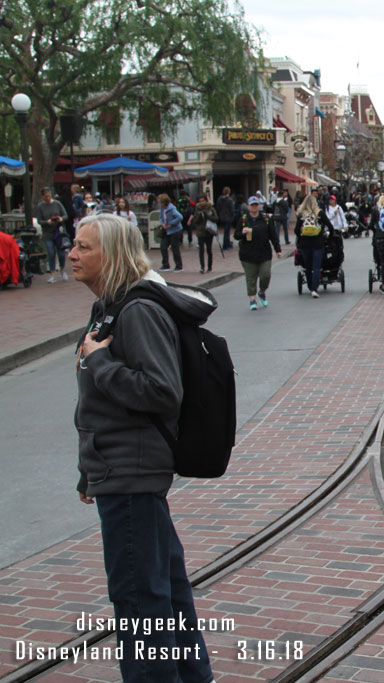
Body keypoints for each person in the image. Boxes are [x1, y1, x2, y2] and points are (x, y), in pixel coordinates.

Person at [68, 213, 215, 683]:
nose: (71, 254)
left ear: (111, 255)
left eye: (84, 247)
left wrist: (100, 362)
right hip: (119, 469)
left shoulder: (137, 310)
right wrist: (89, 468)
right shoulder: (110, 307)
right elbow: (99, 407)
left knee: (139, 600)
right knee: (164, 592)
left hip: (134, 472)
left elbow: (160, 392)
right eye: (73, 243)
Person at [235, 195, 282, 309]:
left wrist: (278, 249)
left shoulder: (266, 218)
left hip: (264, 252)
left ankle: (262, 292)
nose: (254, 207)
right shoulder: (243, 219)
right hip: (248, 253)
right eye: (252, 205)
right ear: (248, 206)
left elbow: (273, 235)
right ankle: (252, 300)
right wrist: (242, 233)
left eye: (256, 205)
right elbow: (236, 236)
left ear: (259, 206)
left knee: (265, 275)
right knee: (251, 278)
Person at [295, 192, 332, 299]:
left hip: (305, 244)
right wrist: (328, 235)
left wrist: (301, 235)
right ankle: (315, 289)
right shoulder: (319, 213)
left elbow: (296, 230)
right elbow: (330, 226)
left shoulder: (301, 214)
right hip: (318, 243)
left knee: (308, 267)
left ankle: (310, 286)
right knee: (316, 267)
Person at [36, 187, 69, 282]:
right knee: (51, 252)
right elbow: (39, 220)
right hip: (47, 233)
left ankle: (63, 270)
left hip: (58, 232)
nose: (48, 198)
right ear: (42, 196)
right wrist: (47, 222)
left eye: (49, 196)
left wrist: (61, 219)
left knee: (61, 252)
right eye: (46, 196)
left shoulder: (57, 204)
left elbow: (65, 215)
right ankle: (52, 273)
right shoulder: (40, 206)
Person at [191, 195, 218, 274]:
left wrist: (208, 216)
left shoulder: (211, 208)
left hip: (209, 232)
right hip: (200, 232)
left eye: (203, 201)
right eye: (200, 201)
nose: (202, 203)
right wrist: (199, 216)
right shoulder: (197, 209)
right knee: (201, 250)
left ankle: (209, 267)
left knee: (209, 250)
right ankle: (202, 267)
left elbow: (216, 219)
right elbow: (195, 221)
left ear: (206, 200)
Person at [156, 193, 184, 273]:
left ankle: (179, 266)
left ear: (164, 202)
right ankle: (165, 265)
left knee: (175, 248)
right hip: (166, 230)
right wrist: (162, 223)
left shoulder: (172, 209)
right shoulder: (162, 209)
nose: (159, 203)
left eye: (160, 202)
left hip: (175, 230)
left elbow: (180, 217)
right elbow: (161, 217)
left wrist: (171, 224)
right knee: (163, 246)